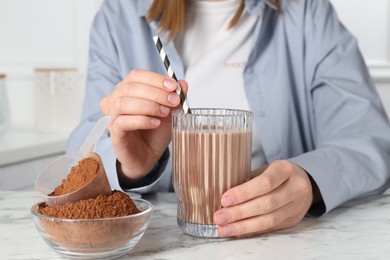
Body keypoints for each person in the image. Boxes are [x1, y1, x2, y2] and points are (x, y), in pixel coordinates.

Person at [67, 0, 390, 238]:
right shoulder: (119, 15)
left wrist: (308, 181)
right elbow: (80, 151)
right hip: (168, 239)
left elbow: (369, 140)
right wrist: (131, 167)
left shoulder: (306, 11)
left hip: (279, 240)